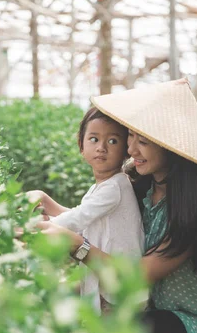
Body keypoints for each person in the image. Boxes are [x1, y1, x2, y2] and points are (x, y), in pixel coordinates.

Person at [37, 78, 197, 333]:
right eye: (131, 137)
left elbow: (135, 277)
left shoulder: (194, 209)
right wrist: (49, 206)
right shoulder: (142, 186)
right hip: (158, 314)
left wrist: (77, 246)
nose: (131, 149)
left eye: (143, 141)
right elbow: (95, 222)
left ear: (171, 145)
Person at [27, 107, 144, 315]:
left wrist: (34, 228)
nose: (101, 148)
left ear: (126, 150)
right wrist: (47, 205)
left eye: (112, 141)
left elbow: (79, 217)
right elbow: (83, 216)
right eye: (93, 139)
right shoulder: (107, 185)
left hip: (119, 285)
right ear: (81, 146)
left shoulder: (114, 187)